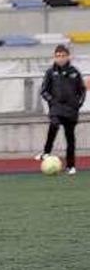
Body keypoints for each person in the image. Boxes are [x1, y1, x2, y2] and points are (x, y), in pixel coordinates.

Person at [38, 44, 84, 175]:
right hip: (56, 108)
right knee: (54, 124)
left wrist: (77, 105)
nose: (60, 58)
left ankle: (71, 166)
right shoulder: (50, 72)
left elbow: (81, 91)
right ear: (54, 57)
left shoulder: (74, 72)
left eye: (63, 56)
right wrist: (52, 101)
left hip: (71, 110)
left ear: (68, 56)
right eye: (58, 56)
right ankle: (46, 152)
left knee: (70, 138)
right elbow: (43, 90)